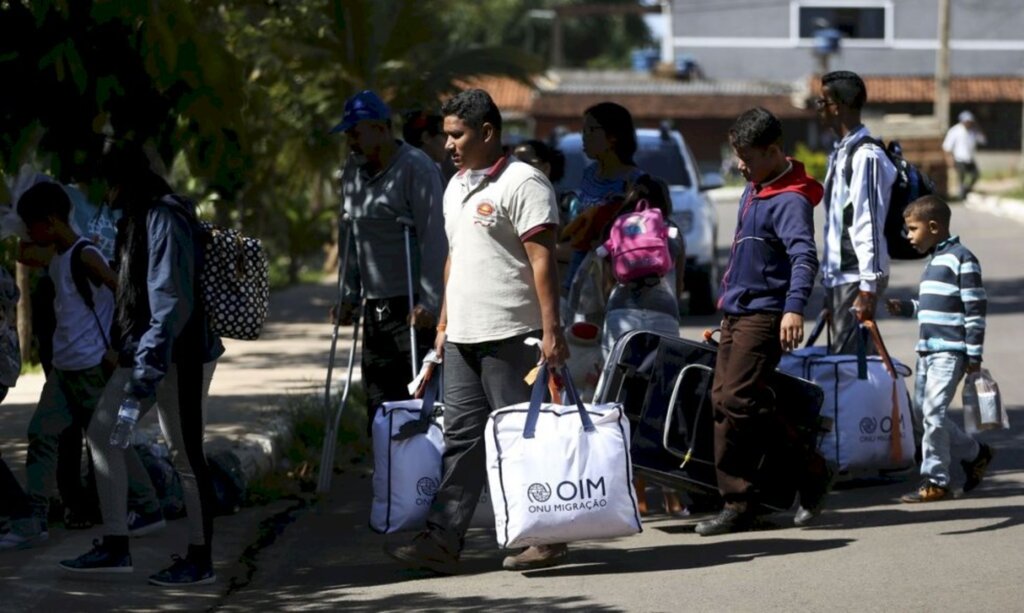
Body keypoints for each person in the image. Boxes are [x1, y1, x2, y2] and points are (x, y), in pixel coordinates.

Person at [385, 88, 569, 574]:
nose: (448, 145)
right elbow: (455, 260)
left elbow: (543, 259)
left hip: (514, 335)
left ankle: (546, 537)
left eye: (457, 135)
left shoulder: (525, 183)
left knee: (521, 439)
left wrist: (552, 331)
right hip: (464, 336)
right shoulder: (456, 186)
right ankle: (442, 541)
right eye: (446, 135)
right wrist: (444, 324)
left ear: (487, 133)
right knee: (462, 441)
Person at [60, 143, 224, 586]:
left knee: (185, 455)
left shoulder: (164, 217)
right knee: (104, 432)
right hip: (146, 353)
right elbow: (135, 293)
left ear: (121, 183)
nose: (102, 195)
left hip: (179, 355)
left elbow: (170, 303)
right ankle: (116, 544)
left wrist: (143, 373)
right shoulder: (136, 218)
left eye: (106, 185)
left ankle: (200, 557)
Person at [2, 182, 163, 551]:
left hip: (90, 370)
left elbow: (124, 292)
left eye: (33, 225)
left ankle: (149, 507)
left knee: (109, 442)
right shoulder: (56, 255)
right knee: (42, 434)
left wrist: (120, 345)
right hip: (63, 370)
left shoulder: (84, 254)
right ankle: (35, 519)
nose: (29, 233)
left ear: (52, 220)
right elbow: (26, 252)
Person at [696, 107, 832, 536]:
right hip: (736, 310)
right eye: (738, 156)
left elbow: (803, 257)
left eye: (748, 157)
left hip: (766, 313)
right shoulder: (754, 187)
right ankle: (740, 502)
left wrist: (793, 308)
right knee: (722, 401)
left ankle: (811, 470)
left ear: (773, 151)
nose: (740, 165)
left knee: (738, 398)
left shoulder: (790, 199)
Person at [333, 91, 447, 427]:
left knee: (415, 398)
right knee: (378, 399)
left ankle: (420, 474)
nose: (350, 141)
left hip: (413, 307)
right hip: (375, 305)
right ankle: (386, 471)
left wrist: (431, 300)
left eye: (356, 132)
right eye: (348, 134)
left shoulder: (417, 168)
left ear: (382, 129)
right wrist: (348, 295)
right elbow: (349, 235)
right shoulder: (352, 172)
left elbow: (434, 237)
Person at [886, 195, 993, 503]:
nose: (908, 236)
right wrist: (907, 307)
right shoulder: (934, 261)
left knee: (933, 413)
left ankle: (936, 480)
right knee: (924, 415)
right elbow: (933, 306)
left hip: (951, 351)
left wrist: (974, 354)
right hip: (927, 351)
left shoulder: (963, 258)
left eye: (912, 229)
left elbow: (975, 308)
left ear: (933, 227)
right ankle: (976, 454)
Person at [817, 70, 897, 353]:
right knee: (849, 360)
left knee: (851, 365)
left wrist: (868, 288)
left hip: (856, 275)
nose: (819, 109)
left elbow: (869, 222)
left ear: (838, 106)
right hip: (842, 275)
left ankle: (890, 399)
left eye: (822, 102)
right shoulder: (842, 152)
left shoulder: (865, 155)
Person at [560, 102, 645, 299]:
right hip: (580, 276)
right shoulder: (588, 174)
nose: (584, 136)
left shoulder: (635, 181)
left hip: (618, 280)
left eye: (590, 130)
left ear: (613, 137)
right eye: (582, 130)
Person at [403, 109, 457, 183]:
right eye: (445, 136)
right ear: (426, 137)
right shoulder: (426, 172)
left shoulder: (406, 168)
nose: (450, 144)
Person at [942, 111, 986, 201]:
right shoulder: (955, 131)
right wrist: (949, 159)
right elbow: (947, 147)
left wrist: (979, 128)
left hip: (969, 158)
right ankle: (961, 195)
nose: (968, 123)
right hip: (959, 158)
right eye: (966, 121)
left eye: (970, 121)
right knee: (961, 177)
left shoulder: (973, 131)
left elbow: (983, 140)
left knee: (975, 175)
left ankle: (966, 190)